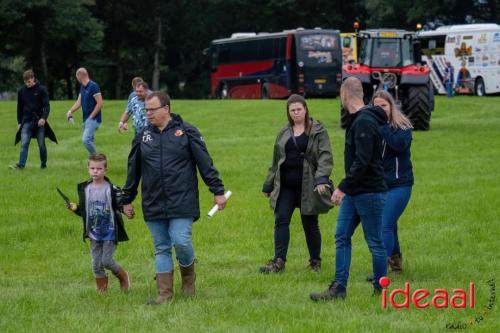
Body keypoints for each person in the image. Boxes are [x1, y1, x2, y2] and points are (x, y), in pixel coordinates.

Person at [121, 91, 227, 305]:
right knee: (161, 247)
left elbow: (205, 163)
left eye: (152, 109)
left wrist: (217, 191)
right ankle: (164, 295)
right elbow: (133, 170)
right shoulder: (142, 136)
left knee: (181, 241)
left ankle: (189, 279)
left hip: (182, 200)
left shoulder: (187, 132)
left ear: (166, 108)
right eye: (146, 110)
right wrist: (127, 198)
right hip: (153, 201)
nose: (147, 113)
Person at [310, 77, 388, 301]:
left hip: (370, 191)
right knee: (341, 236)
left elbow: (363, 162)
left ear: (345, 95)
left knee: (374, 242)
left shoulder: (364, 121)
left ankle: (381, 290)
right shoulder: (361, 119)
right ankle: (339, 288)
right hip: (356, 191)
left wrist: (342, 188)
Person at [260, 94, 333, 273]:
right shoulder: (284, 132)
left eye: (299, 109)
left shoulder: (318, 130)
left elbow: (325, 156)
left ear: (305, 109)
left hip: (308, 186)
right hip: (286, 186)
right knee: (281, 220)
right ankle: (279, 262)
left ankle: (315, 262)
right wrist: (268, 184)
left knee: (310, 224)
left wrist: (322, 178)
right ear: (288, 112)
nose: (296, 113)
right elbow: (276, 160)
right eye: (292, 110)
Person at [66, 153, 130, 292]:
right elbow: (84, 210)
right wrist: (75, 208)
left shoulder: (111, 189)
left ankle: (123, 276)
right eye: (93, 168)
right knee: (96, 264)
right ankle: (102, 292)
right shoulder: (85, 189)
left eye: (99, 169)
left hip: (110, 232)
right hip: (94, 232)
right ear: (88, 169)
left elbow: (121, 204)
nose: (95, 171)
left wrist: (126, 210)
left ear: (105, 170)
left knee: (106, 261)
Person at [370, 90, 413, 277]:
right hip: (380, 185)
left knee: (384, 225)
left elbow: (399, 145)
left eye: (383, 106)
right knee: (391, 225)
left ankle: (380, 271)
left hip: (400, 185)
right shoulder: (371, 127)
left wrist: (382, 126)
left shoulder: (403, 127)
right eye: (376, 106)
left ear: (391, 107)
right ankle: (396, 264)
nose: (380, 109)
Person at [11, 70, 57, 169]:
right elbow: (19, 108)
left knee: (41, 145)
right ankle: (21, 166)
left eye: (29, 81)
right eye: (26, 81)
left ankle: (43, 164)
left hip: (39, 122)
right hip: (26, 121)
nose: (28, 83)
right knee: (24, 143)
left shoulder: (41, 89)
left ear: (33, 78)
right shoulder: (21, 91)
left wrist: (43, 118)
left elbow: (47, 106)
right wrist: (19, 122)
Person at [66, 68, 103, 155]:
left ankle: (97, 158)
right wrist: (70, 111)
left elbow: (100, 103)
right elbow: (79, 102)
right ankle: (93, 164)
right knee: (90, 141)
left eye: (76, 77)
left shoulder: (93, 86)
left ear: (80, 76)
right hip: (86, 119)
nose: (77, 79)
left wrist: (91, 117)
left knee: (86, 140)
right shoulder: (82, 87)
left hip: (93, 119)